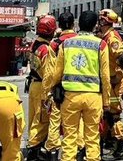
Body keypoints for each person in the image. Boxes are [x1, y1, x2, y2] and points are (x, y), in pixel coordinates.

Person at [48, 11, 111, 161]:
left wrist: (53, 90)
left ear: (78, 24)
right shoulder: (101, 45)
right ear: (95, 25)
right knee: (92, 137)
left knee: (69, 137)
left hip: (70, 97)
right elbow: (105, 77)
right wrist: (107, 102)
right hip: (93, 97)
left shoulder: (66, 44)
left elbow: (57, 72)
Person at [45, 12, 84, 159]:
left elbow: (50, 71)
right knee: (78, 120)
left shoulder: (54, 44)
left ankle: (53, 149)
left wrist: (48, 91)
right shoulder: (81, 40)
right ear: (73, 25)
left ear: (59, 26)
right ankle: (80, 147)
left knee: (55, 119)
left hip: (59, 87)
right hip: (77, 86)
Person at [97, 9, 123, 160]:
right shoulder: (105, 36)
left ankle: (120, 147)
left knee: (114, 115)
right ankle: (110, 142)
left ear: (104, 21)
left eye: (100, 20)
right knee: (107, 113)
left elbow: (122, 57)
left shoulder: (112, 37)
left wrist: (117, 76)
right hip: (109, 81)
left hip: (114, 81)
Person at [26, 15, 58, 161]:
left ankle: (33, 147)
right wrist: (48, 95)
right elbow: (49, 75)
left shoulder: (35, 44)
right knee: (41, 121)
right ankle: (34, 151)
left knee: (34, 118)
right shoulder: (46, 49)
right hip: (42, 88)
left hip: (34, 84)